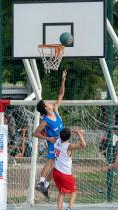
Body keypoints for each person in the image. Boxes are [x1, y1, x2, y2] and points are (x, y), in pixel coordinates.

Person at [34, 70, 67, 198]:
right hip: (54, 143)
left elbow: (61, 94)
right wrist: (48, 138)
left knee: (57, 166)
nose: (49, 102)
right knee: (52, 161)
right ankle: (41, 182)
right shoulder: (46, 121)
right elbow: (35, 133)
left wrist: (63, 80)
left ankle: (45, 185)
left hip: (62, 144)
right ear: (46, 108)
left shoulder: (56, 110)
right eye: (47, 102)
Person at [52, 128, 86, 210]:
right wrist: (79, 133)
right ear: (69, 136)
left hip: (56, 171)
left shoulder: (57, 142)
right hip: (65, 174)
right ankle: (69, 208)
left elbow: (65, 134)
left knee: (61, 192)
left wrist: (76, 133)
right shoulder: (68, 146)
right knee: (74, 191)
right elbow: (83, 145)